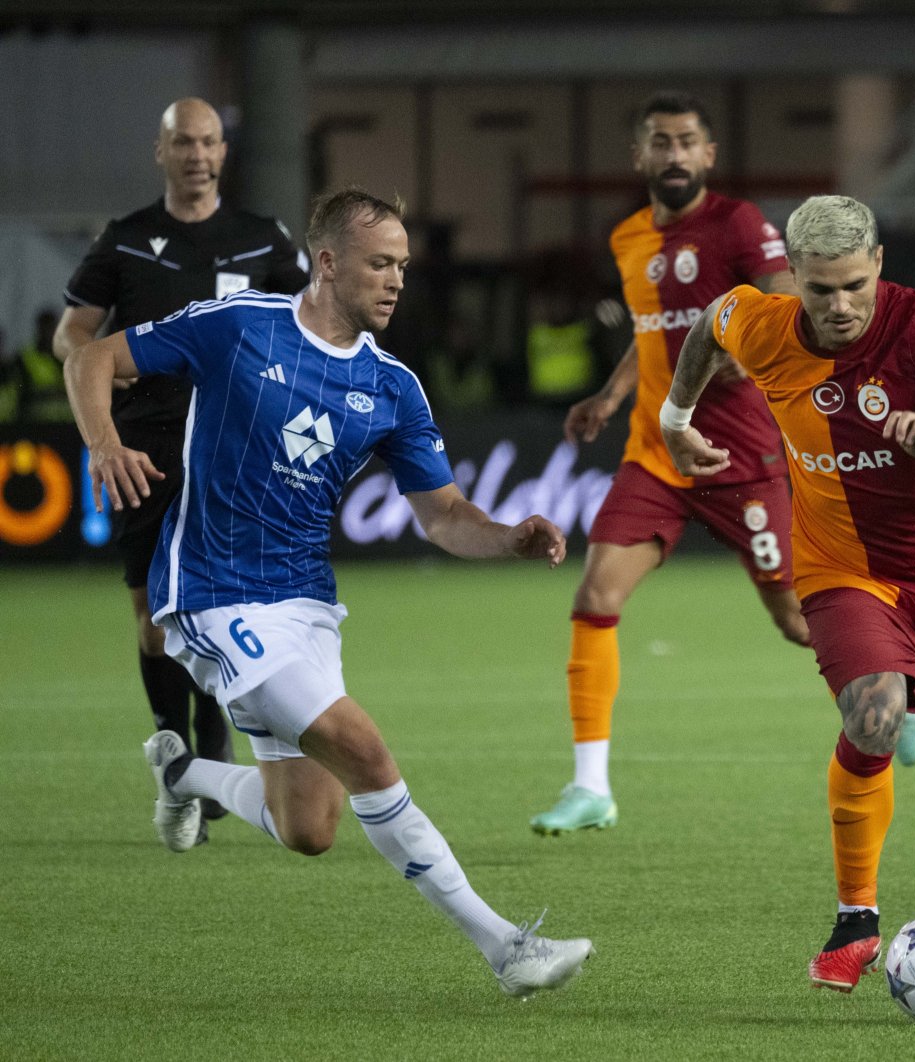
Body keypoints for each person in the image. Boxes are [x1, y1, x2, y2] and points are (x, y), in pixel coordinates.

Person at [62, 188, 594, 997]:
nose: (396, 282)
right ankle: (506, 949)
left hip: (306, 604)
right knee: (367, 752)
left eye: (404, 268)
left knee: (307, 827)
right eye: (381, 264)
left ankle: (185, 777)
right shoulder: (238, 326)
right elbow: (92, 356)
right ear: (331, 261)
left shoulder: (392, 387)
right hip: (212, 592)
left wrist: (509, 538)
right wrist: (104, 444)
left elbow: (445, 517)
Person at [661, 195, 915, 1007]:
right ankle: (856, 920)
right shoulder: (767, 325)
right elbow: (713, 320)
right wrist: (678, 415)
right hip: (842, 571)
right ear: (797, 281)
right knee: (873, 713)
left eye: (854, 285)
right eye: (821, 290)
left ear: (878, 263)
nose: (840, 306)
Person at [528, 92, 915, 838]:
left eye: (686, 142)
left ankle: (896, 677)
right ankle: (590, 788)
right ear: (639, 155)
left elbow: (781, 314)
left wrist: (746, 357)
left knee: (796, 621)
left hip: (741, 456)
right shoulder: (627, 238)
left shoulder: (739, 225)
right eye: (659, 142)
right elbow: (653, 336)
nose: (673, 154)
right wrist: (612, 396)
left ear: (708, 155)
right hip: (654, 454)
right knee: (596, 595)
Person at [54, 98, 309, 823]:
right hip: (145, 444)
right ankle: (175, 745)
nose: (196, 155)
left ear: (224, 153)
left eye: (208, 142)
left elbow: (310, 326)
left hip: (236, 448)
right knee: (151, 616)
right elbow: (70, 336)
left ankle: (214, 736)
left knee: (222, 602)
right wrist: (102, 367)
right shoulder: (126, 239)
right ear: (159, 152)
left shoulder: (263, 239)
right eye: (182, 143)